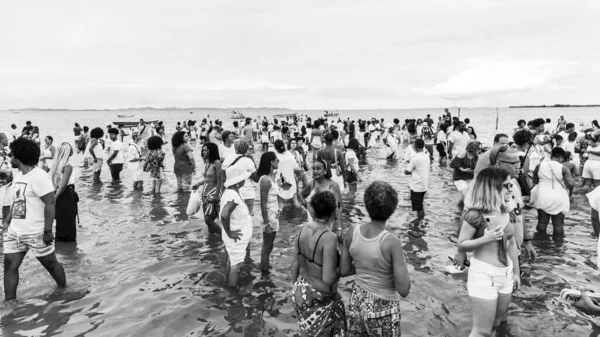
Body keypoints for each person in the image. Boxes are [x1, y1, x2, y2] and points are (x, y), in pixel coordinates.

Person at [340, 181, 411, 337]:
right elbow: (404, 289)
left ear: (366, 204)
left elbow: (344, 270)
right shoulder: (392, 241)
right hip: (383, 307)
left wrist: (363, 265)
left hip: (357, 301)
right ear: (392, 209)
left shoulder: (353, 231)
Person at [457, 167, 521, 337]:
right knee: (481, 331)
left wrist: (516, 272)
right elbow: (461, 244)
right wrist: (484, 239)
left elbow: (512, 244)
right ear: (492, 188)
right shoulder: (475, 215)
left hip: (505, 275)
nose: (511, 189)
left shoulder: (507, 211)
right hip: (484, 275)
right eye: (506, 186)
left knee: (497, 324)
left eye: (511, 185)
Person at [2, 138, 67, 300]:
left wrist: (47, 230)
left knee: (51, 265)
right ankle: (10, 303)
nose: (10, 158)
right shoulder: (19, 176)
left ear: (19, 158)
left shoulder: (39, 176)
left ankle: (64, 289)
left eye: (12, 155)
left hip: (36, 232)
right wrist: (8, 220)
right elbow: (18, 201)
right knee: (10, 265)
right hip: (15, 231)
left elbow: (50, 202)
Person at [292, 190, 347, 336]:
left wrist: (294, 289)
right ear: (334, 211)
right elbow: (328, 278)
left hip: (299, 292)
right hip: (319, 297)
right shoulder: (329, 237)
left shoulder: (303, 229)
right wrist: (347, 269)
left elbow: (295, 265)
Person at [530, 147, 576, 236]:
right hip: (559, 196)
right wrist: (570, 193)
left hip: (543, 195)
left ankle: (541, 244)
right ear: (561, 158)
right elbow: (571, 184)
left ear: (551, 156)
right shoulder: (564, 168)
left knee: (542, 223)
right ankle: (558, 246)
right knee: (558, 225)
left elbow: (535, 182)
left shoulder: (539, 166)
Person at [220, 164, 253, 287]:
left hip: (235, 236)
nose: (245, 179)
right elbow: (224, 215)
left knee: (231, 261)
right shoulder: (232, 195)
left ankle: (228, 287)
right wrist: (229, 232)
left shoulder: (231, 192)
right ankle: (233, 297)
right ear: (238, 181)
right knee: (237, 266)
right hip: (236, 236)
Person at [298, 159, 343, 232]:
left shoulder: (333, 185)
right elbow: (300, 195)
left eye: (318, 169)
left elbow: (339, 206)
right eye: (314, 169)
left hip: (329, 220)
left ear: (325, 170)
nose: (315, 171)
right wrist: (307, 206)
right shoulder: (312, 183)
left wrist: (339, 227)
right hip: (313, 218)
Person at [257, 152, 282, 272]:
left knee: (269, 246)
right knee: (266, 247)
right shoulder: (265, 180)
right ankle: (264, 272)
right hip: (269, 216)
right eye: (277, 160)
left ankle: (265, 268)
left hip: (273, 214)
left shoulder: (272, 178)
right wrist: (266, 223)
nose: (279, 162)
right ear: (271, 162)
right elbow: (262, 202)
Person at [49, 143, 78, 242]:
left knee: (60, 219)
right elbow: (63, 186)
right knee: (68, 221)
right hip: (66, 194)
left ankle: (60, 245)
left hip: (58, 193)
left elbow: (57, 184)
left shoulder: (56, 165)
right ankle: (68, 246)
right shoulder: (68, 166)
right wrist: (55, 198)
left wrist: (54, 196)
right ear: (69, 153)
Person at [193, 143, 223, 234]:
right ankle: (213, 244)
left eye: (206, 150)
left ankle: (225, 237)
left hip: (213, 192)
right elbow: (207, 178)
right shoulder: (207, 162)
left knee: (208, 219)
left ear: (212, 151)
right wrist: (198, 184)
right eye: (203, 150)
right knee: (210, 221)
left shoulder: (217, 163)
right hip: (205, 192)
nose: (203, 152)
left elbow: (219, 180)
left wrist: (216, 196)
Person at [222, 139, 257, 214]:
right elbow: (256, 179)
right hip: (247, 194)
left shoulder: (228, 159)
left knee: (233, 220)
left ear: (235, 148)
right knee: (246, 220)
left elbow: (222, 177)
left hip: (231, 194)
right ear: (247, 148)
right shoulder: (248, 160)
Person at [405, 139, 430, 221]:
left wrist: (406, 169)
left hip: (416, 186)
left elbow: (407, 172)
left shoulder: (415, 158)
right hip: (424, 185)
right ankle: (420, 221)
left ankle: (419, 222)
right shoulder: (426, 156)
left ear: (415, 146)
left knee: (419, 207)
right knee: (420, 205)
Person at [274, 139, 300, 207]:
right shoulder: (290, 155)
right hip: (291, 181)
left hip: (279, 181)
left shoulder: (275, 157)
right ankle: (299, 215)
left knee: (280, 202)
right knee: (295, 200)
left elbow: (273, 171)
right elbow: (296, 168)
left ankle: (281, 217)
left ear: (275, 148)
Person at [0, 133, 15, 220]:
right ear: (1, 140)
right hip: (1, 184)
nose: (7, 140)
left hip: (9, 182)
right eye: (5, 138)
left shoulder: (5, 151)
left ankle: (6, 223)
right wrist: (5, 171)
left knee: (7, 203)